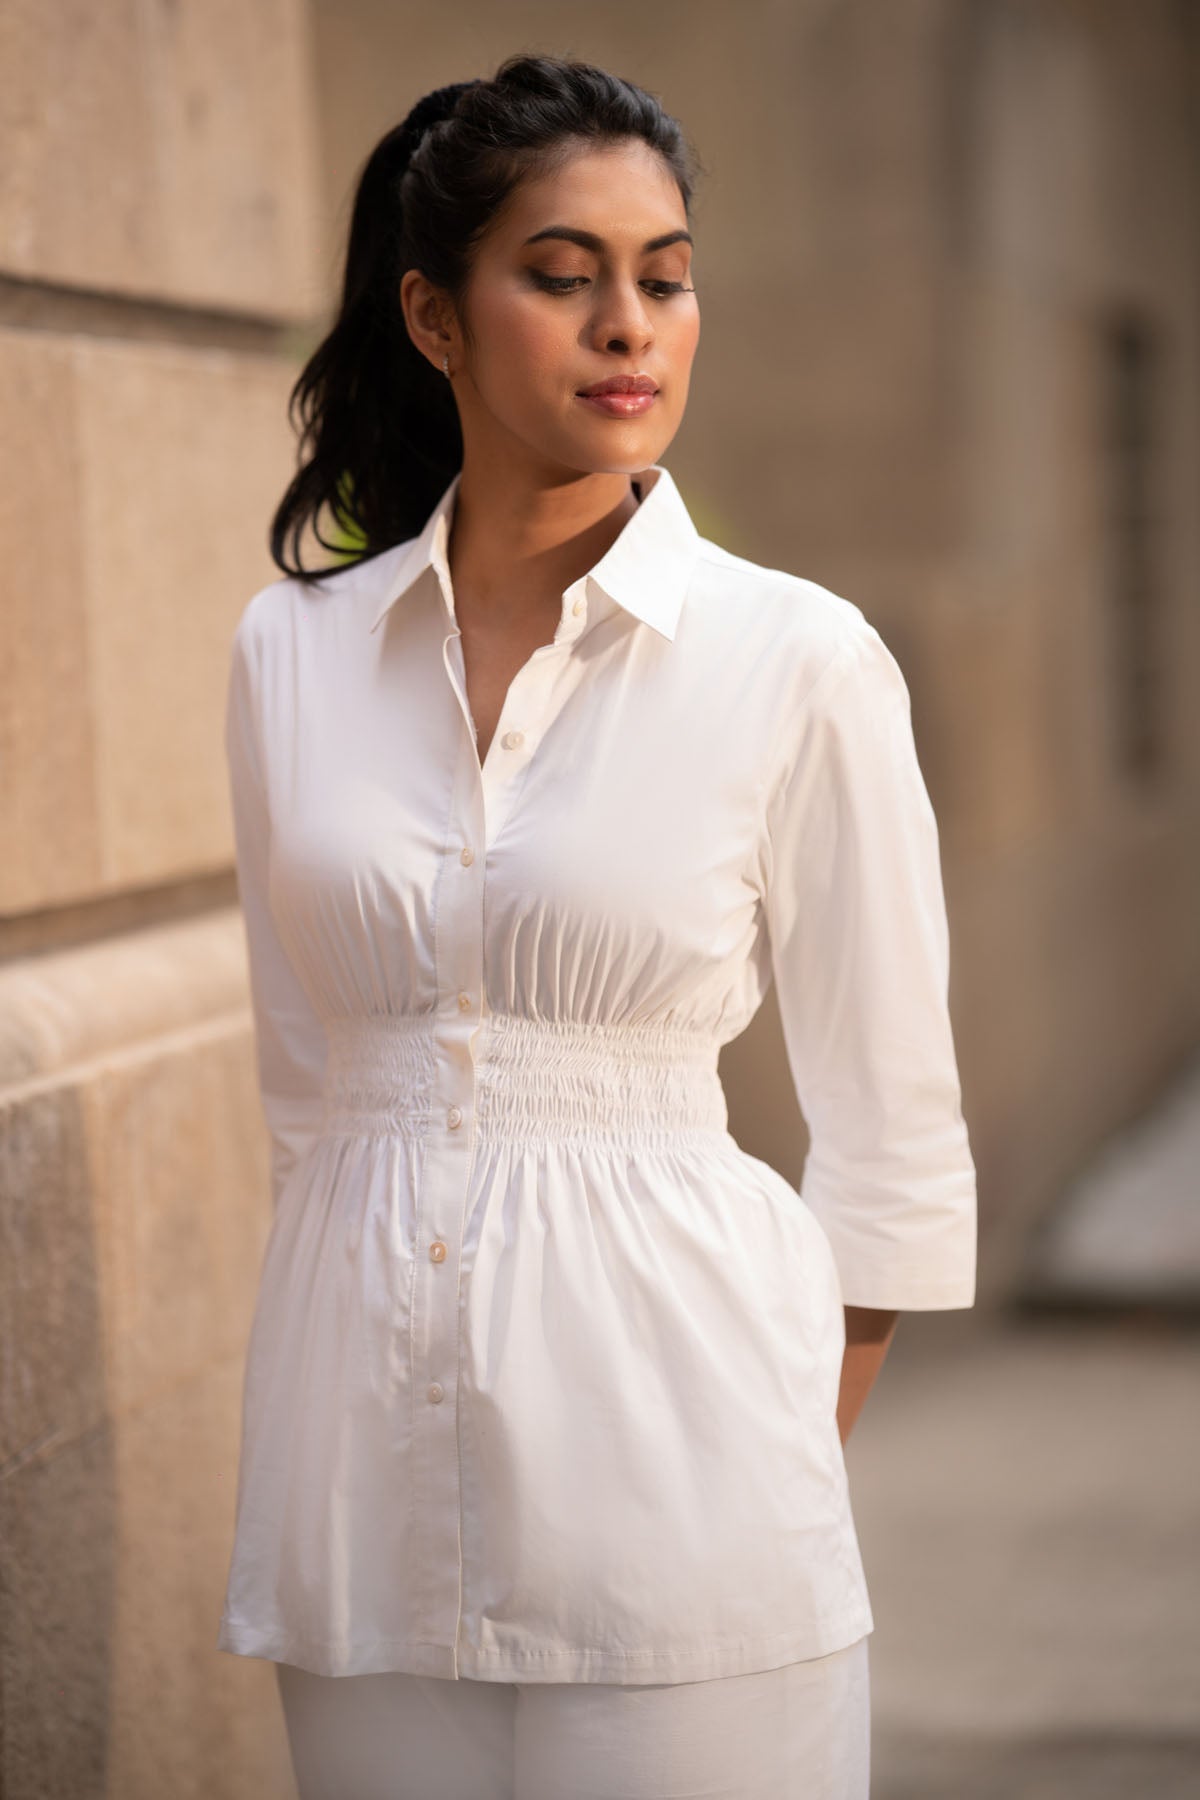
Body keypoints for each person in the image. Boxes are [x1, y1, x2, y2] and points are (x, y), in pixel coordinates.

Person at [217, 50, 977, 1800]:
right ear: (435, 318)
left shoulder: (796, 659)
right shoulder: (293, 655)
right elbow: (307, 1085)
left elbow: (893, 1139)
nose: (630, 324)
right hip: (360, 1487)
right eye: (564, 278)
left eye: (665, 275)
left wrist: (775, 1443)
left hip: (684, 1479)